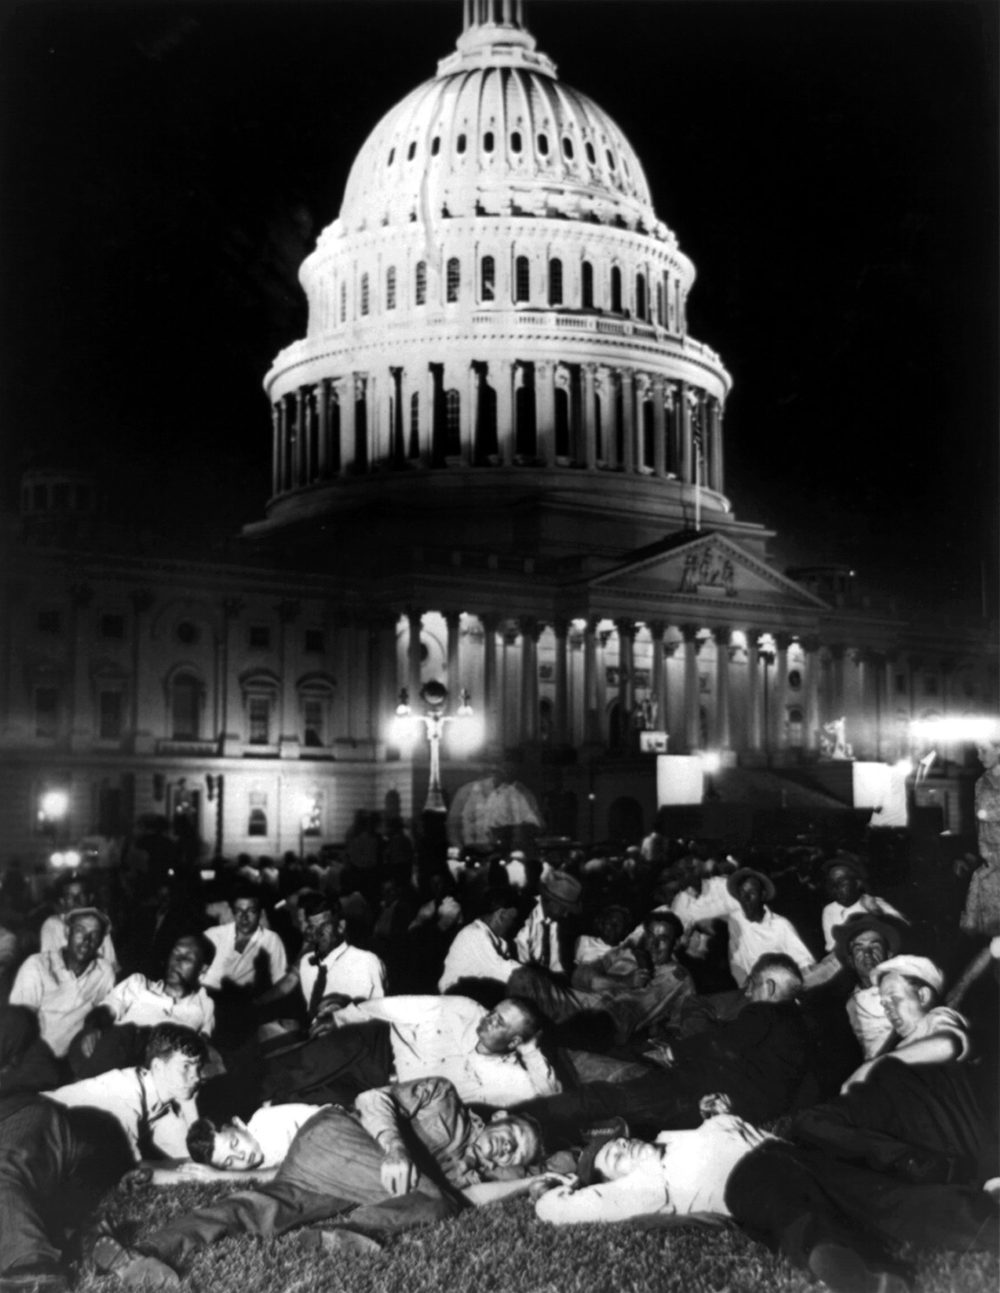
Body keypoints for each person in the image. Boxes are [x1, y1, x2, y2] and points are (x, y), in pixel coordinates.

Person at [95, 1075, 547, 1289]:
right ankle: (346, 1235)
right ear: (500, 1117)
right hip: (335, 1137)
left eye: (516, 1155)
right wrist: (394, 1146)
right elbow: (373, 1099)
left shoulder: (474, 1171)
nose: (507, 1150)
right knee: (436, 1200)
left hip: (332, 1181)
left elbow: (470, 1198)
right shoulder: (444, 1097)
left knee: (253, 1209)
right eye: (513, 1136)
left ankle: (145, 1256)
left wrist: (534, 1178)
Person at [533, 1112, 998, 1293]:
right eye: (613, 1159)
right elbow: (553, 1210)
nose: (624, 1149)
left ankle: (986, 1222)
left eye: (619, 1142)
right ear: (607, 1182)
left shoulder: (679, 1136)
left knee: (891, 1201)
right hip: (746, 1184)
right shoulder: (638, 1188)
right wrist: (560, 1184)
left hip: (795, 1157)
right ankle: (859, 1280)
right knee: (799, 1221)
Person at [518, 953, 811, 1145]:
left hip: (702, 1087)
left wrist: (676, 1052)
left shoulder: (766, 1012)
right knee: (639, 1111)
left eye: (753, 985)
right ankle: (577, 1132)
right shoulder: (799, 1027)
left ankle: (526, 1115)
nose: (747, 992)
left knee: (610, 1095)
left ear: (770, 988)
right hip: (734, 1105)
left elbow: (725, 1044)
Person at [263, 994, 560, 1108]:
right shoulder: (466, 1008)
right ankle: (227, 1093)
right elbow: (400, 1005)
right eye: (494, 1010)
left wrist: (532, 1051)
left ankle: (248, 1113)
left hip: (388, 1093)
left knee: (311, 1105)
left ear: (514, 1042)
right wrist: (343, 1017)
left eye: (499, 1022)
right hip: (376, 1047)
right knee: (297, 1069)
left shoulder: (506, 1078)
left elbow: (550, 1098)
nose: (488, 1017)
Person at [46, 1022, 208, 1162]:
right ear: (158, 1066)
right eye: (186, 1066)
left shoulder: (162, 1106)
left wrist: (189, 1104)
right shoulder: (127, 1091)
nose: (196, 1077)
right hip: (33, 1120)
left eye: (198, 1067)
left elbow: (192, 1157)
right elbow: (131, 1170)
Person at [67, 934, 217, 1080]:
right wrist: (94, 1027)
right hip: (118, 1058)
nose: (177, 960)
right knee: (125, 1036)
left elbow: (204, 1045)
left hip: (159, 1075)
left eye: (188, 958)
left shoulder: (204, 1005)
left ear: (202, 968)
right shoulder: (139, 984)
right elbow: (109, 1007)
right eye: (175, 952)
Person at [841, 955, 969, 1092]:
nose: (887, 1010)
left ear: (923, 996)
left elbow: (947, 1045)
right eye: (884, 1004)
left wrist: (873, 1067)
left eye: (894, 998)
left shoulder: (936, 1016)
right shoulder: (902, 1042)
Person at [671, 867, 815, 988]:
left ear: (762, 895)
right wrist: (747, 987)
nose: (745, 899)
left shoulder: (780, 925)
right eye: (742, 894)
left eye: (751, 894)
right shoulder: (736, 919)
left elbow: (805, 963)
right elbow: (736, 962)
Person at [9, 908, 117, 1060]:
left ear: (100, 941)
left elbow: (106, 1010)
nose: (87, 939)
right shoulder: (37, 966)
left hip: (72, 1059)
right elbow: (18, 1024)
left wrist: (94, 1028)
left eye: (95, 934)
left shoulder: (104, 972)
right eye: (80, 930)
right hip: (31, 1055)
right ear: (67, 932)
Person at [831, 914, 901, 1060]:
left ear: (889, 954)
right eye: (859, 948)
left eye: (875, 946)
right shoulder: (848, 1007)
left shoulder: (905, 988)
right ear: (850, 961)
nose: (867, 954)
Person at [438, 886, 522, 993]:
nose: (519, 924)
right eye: (514, 919)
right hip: (454, 999)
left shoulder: (496, 938)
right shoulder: (474, 934)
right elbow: (508, 973)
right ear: (501, 915)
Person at [820, 856, 906, 953]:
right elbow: (831, 948)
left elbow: (904, 927)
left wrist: (876, 911)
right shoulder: (830, 910)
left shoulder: (874, 903)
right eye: (832, 884)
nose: (836, 889)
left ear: (857, 883)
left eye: (842, 883)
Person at [959, 736, 1000, 937]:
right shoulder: (979, 783)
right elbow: (974, 826)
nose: (979, 756)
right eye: (977, 750)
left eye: (984, 750)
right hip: (988, 865)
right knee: (984, 934)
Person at [39, 874, 118, 971]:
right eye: (70, 897)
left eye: (81, 895)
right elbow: (49, 966)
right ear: (62, 901)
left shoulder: (100, 923)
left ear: (90, 898)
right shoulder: (53, 925)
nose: (77, 901)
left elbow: (112, 964)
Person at [515, 871, 581, 976]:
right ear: (552, 902)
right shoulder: (523, 918)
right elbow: (522, 967)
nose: (566, 914)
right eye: (564, 909)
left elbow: (555, 965)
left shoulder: (554, 922)